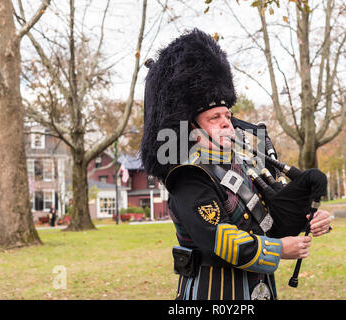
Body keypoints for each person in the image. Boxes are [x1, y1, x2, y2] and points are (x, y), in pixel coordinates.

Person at [141, 29, 331, 300]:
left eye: (227, 115)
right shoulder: (188, 176)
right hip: (213, 293)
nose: (226, 123)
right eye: (214, 117)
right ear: (192, 128)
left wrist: (309, 219)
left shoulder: (240, 165)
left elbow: (267, 224)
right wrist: (279, 250)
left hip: (258, 288)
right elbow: (219, 240)